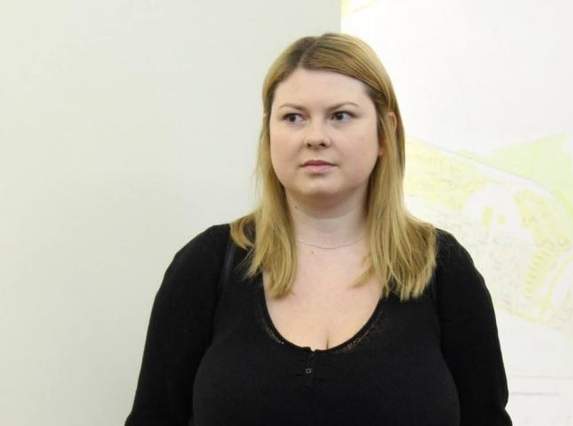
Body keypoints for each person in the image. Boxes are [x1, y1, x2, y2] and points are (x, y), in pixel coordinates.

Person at [125, 33, 512, 426]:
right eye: (293, 117)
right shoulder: (206, 265)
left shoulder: (441, 268)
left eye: (340, 116)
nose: (315, 137)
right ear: (269, 133)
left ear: (385, 132)